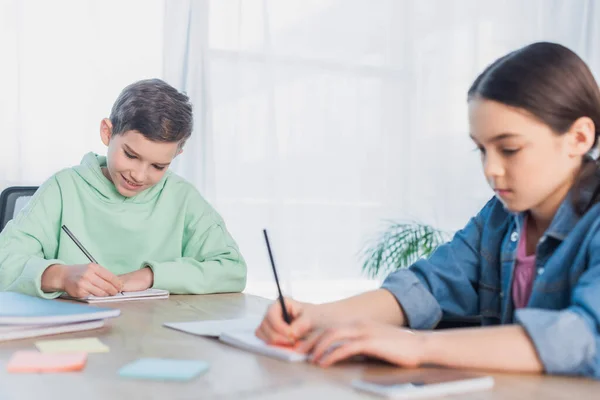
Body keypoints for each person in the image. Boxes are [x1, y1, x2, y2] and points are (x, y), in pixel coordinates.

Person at [256, 42, 600, 378]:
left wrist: (418, 346)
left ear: (579, 137)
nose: (491, 169)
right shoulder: (499, 216)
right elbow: (428, 286)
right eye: (481, 150)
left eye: (509, 149)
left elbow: (583, 335)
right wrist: (318, 316)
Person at [0, 79, 247, 298]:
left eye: (158, 165)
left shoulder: (183, 198)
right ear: (107, 132)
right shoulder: (63, 189)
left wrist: (151, 275)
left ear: (177, 154)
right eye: (130, 155)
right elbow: (5, 261)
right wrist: (59, 276)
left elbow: (232, 269)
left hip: (154, 333)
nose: (139, 175)